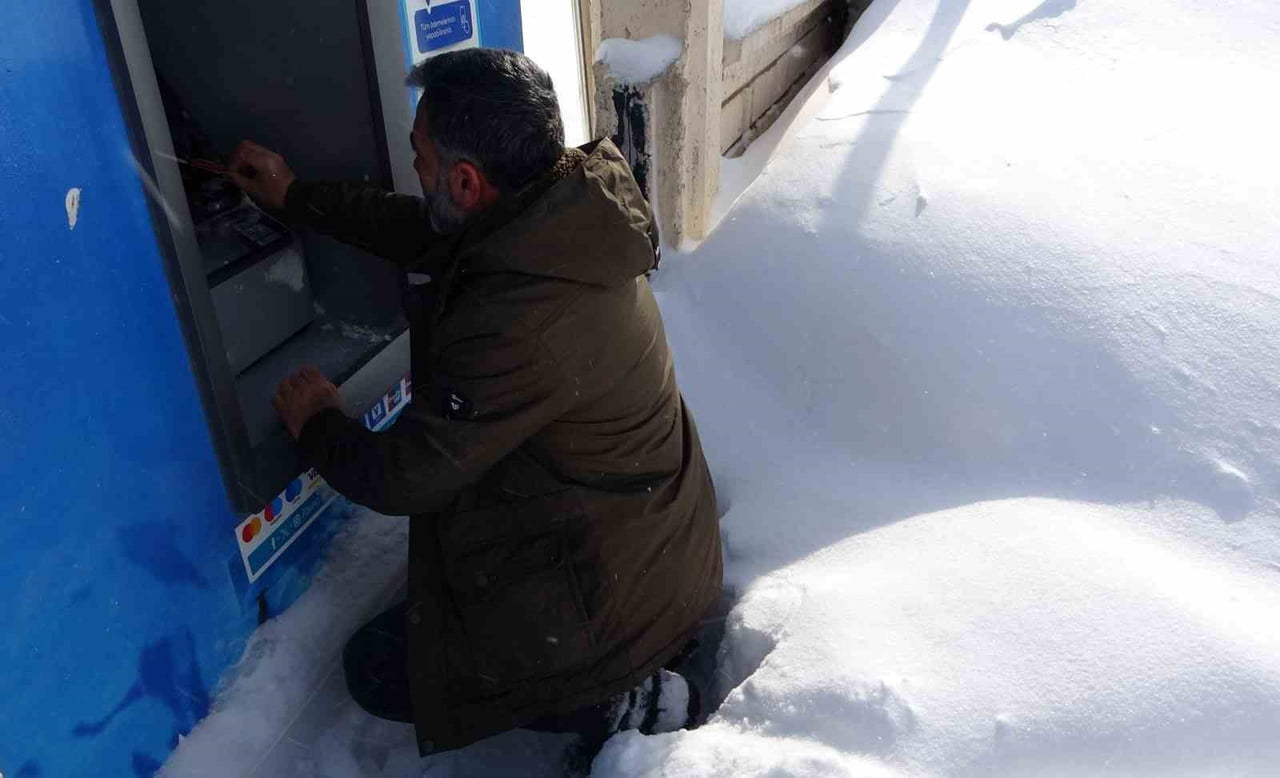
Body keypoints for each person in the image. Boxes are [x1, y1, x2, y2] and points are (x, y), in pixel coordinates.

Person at [227, 48, 722, 759]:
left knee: (378, 668)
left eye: (419, 157)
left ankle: (628, 700)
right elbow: (421, 230)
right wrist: (297, 196)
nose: (414, 170)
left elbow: (407, 475)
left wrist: (320, 424)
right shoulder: (559, 215)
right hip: (655, 541)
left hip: (624, 595)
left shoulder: (523, 313)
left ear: (465, 180)